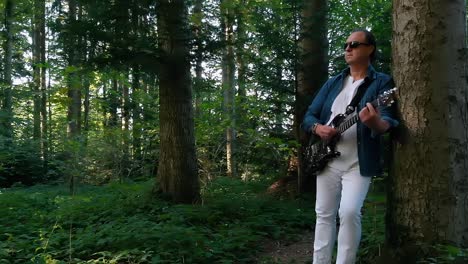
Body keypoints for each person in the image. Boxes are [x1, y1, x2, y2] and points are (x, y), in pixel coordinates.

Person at [301, 29, 399, 264]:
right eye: (346, 44)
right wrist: (318, 129)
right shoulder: (334, 82)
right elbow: (309, 116)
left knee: (349, 212)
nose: (348, 48)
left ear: (370, 49)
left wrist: (373, 121)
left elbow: (388, 121)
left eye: (354, 44)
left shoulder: (382, 83)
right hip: (328, 160)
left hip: (358, 161)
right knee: (323, 215)